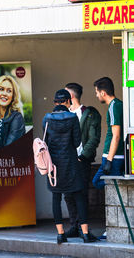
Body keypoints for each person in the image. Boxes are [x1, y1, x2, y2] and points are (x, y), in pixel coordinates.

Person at [43, 89, 97, 244]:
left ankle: (60, 234)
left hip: (54, 166)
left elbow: (45, 142)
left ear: (55, 103)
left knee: (56, 197)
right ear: (68, 101)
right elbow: (77, 142)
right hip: (71, 164)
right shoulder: (73, 117)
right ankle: (85, 234)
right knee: (79, 196)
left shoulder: (47, 118)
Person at [63, 83, 101, 239]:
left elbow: (94, 139)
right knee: (68, 195)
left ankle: (82, 227)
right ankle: (74, 225)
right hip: (65, 162)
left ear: (71, 97)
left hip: (80, 161)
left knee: (81, 194)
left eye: (64, 95)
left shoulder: (89, 114)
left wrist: (82, 157)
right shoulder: (62, 114)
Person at [92, 77, 125, 189]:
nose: (96, 95)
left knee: (98, 182)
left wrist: (109, 160)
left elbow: (116, 136)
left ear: (103, 93)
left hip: (113, 157)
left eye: (97, 92)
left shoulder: (113, 107)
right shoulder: (119, 104)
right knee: (113, 184)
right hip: (117, 155)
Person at [0, 75, 25, 149]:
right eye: (1, 89)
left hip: (11, 159)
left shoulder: (17, 117)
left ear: (13, 96)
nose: (5, 94)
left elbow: (8, 148)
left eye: (9, 91)